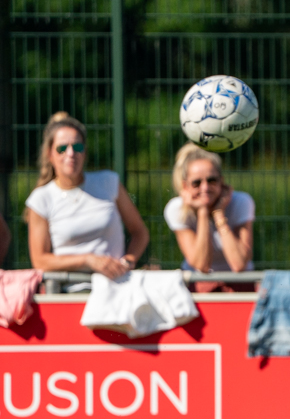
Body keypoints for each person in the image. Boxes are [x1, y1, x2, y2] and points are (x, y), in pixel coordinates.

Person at [25, 112, 149, 285]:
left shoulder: (108, 182)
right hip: (70, 291)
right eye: (62, 148)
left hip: (116, 287)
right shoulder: (40, 199)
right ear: (49, 154)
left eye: (77, 147)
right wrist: (88, 260)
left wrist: (129, 260)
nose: (70, 154)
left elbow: (140, 232)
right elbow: (40, 261)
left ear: (85, 152)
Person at [164, 144, 255, 292]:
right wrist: (203, 212)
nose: (205, 188)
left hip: (239, 283)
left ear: (222, 181)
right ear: (185, 186)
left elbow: (238, 264)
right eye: (196, 183)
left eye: (211, 180)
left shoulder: (241, 202)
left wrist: (219, 214)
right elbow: (202, 265)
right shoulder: (176, 209)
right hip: (198, 283)